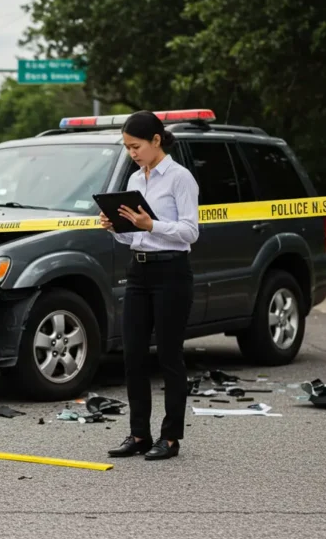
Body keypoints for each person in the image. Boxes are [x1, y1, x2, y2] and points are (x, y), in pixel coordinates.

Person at [99, 110, 200, 461]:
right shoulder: (136, 179)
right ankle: (139, 433)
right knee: (133, 355)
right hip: (139, 273)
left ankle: (170, 438)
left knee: (169, 356)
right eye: (127, 148)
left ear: (156, 140)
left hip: (172, 273)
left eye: (136, 146)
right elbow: (135, 237)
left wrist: (152, 224)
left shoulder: (179, 178)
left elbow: (190, 232)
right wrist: (118, 228)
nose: (132, 153)